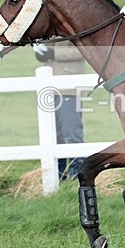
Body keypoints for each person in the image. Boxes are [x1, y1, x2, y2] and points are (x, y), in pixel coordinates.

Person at [33, 40, 86, 181]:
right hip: (51, 87)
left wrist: (53, 53)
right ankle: (59, 176)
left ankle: (78, 176)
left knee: (71, 133)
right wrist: (42, 52)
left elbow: (83, 49)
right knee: (55, 136)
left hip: (70, 87)